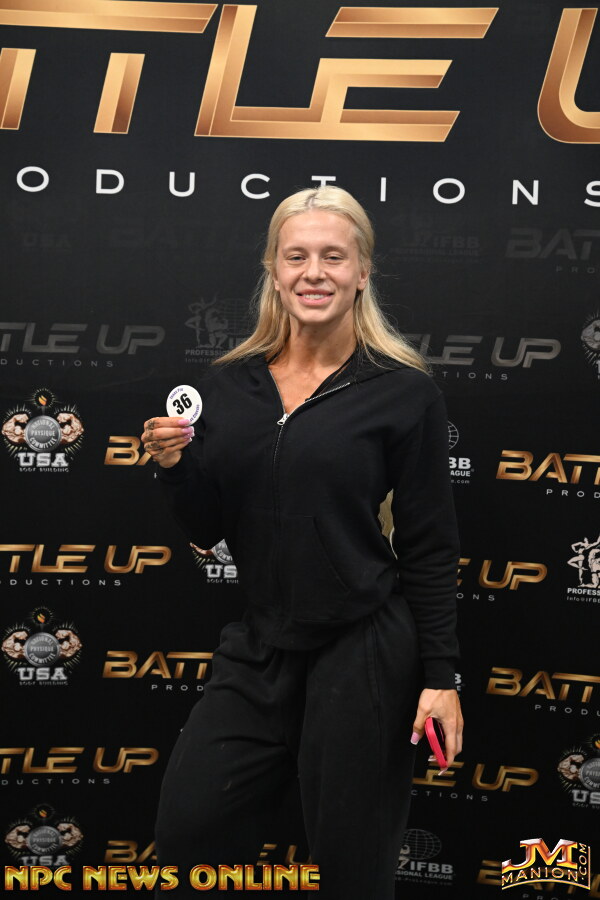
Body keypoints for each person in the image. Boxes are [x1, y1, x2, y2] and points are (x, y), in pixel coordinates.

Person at [141, 186, 463, 898]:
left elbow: (431, 546)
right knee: (187, 835)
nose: (314, 272)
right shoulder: (229, 386)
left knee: (353, 870)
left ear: (362, 272)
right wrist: (175, 469)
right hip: (260, 647)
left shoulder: (403, 392)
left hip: (363, 650)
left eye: (333, 257)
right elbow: (207, 528)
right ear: (273, 269)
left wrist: (441, 678)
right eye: (297, 257)